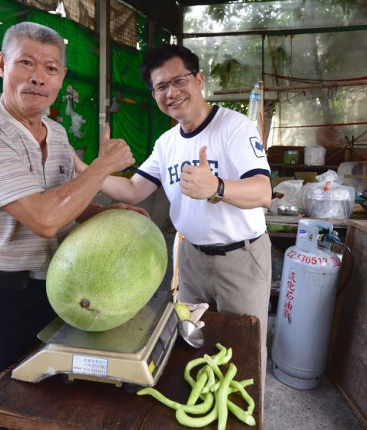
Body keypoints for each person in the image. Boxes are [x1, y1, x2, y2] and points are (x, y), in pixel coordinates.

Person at [0, 21, 141, 430]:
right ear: (2, 64)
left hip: (54, 290)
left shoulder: (56, 132)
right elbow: (46, 219)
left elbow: (70, 200)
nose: (38, 76)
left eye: (51, 68)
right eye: (26, 63)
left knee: (42, 404)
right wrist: (104, 164)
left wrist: (112, 215)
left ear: (62, 77)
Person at [90, 43, 273, 380]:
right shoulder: (167, 142)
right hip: (190, 258)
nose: (171, 93)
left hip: (241, 259)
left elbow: (263, 192)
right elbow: (132, 190)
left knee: (243, 352)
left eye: (178, 81)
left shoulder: (235, 128)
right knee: (190, 339)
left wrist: (217, 187)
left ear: (198, 79)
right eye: (161, 87)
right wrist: (88, 170)